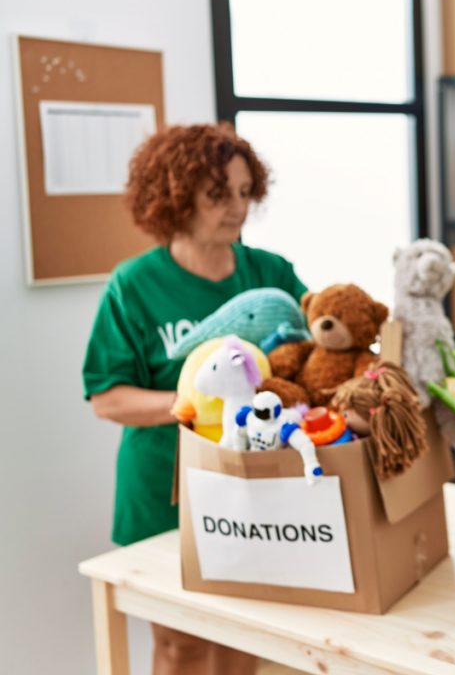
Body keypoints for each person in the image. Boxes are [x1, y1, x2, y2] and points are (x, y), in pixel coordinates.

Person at [83, 123, 307, 675]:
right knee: (180, 644)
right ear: (177, 198)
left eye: (243, 191)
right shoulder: (134, 284)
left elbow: (313, 356)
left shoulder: (269, 272)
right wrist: (197, 405)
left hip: (251, 487)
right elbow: (106, 398)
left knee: (240, 640)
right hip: (163, 487)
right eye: (217, 194)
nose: (237, 207)